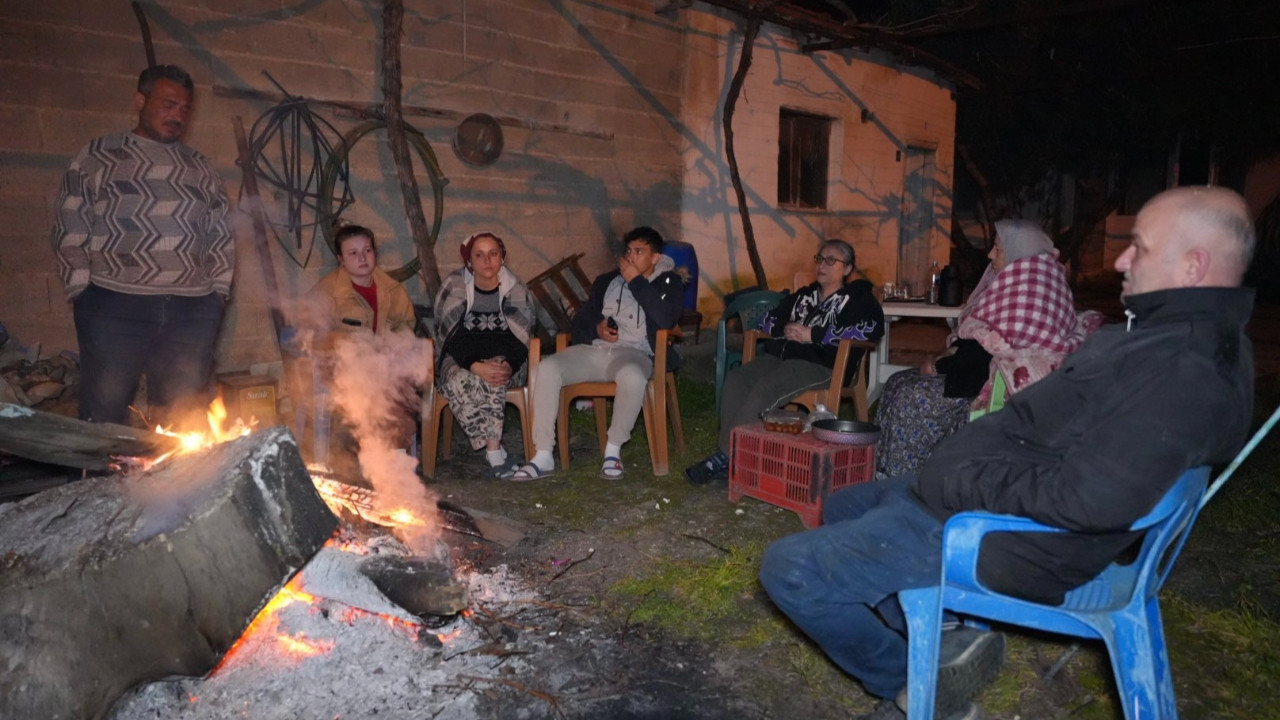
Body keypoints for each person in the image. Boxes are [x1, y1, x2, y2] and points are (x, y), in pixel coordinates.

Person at [758, 186, 1255, 720]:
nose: (1120, 260)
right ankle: (941, 634)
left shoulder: (1184, 371)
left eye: (1140, 247)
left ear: (1192, 265)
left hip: (1007, 536)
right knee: (847, 504)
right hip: (990, 501)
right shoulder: (1173, 339)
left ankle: (914, 683)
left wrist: (963, 482)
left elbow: (1090, 500)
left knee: (789, 568)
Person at [51, 64, 233, 428]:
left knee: (182, 418)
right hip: (115, 304)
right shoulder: (99, 156)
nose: (177, 116)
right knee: (105, 413)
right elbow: (70, 222)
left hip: (192, 310)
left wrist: (218, 291)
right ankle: (100, 484)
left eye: (184, 108)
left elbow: (221, 233)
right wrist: (81, 290)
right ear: (140, 100)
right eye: (168, 104)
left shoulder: (201, 167)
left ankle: (175, 486)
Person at [875, 220, 1101, 479]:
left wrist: (940, 365)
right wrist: (948, 355)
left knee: (910, 395)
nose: (990, 254)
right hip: (977, 368)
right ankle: (884, 470)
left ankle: (903, 478)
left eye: (997, 248)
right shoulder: (1029, 277)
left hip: (994, 383)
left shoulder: (1029, 288)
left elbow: (992, 349)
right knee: (897, 380)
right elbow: (982, 339)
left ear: (1019, 251)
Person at [684, 239, 885, 485]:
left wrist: (814, 334)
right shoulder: (805, 295)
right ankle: (734, 457)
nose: (823, 264)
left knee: (766, 388)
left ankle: (725, 458)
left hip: (823, 363)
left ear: (847, 269)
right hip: (783, 356)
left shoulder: (859, 299)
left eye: (831, 260)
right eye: (820, 259)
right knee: (737, 379)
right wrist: (786, 328)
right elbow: (768, 320)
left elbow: (871, 330)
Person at [513, 226, 684, 481]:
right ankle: (544, 454)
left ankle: (613, 451)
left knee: (633, 376)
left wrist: (635, 281)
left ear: (655, 258)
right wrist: (598, 328)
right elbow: (579, 322)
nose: (631, 256)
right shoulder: (607, 281)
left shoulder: (669, 281)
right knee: (547, 368)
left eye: (640, 251)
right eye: (629, 251)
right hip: (597, 351)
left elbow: (665, 318)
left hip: (635, 353)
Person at [433, 232, 536, 479]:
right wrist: (474, 365)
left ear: (503, 257)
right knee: (461, 380)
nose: (487, 261)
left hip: (507, 359)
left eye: (493, 254)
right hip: (459, 358)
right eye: (479, 255)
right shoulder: (454, 285)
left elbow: (521, 339)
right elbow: (450, 336)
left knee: (496, 376)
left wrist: (506, 363)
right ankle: (495, 449)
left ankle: (491, 450)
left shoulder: (517, 289)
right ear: (469, 261)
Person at [308, 224, 416, 338]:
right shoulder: (325, 293)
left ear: (375, 253)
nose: (362, 258)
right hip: (342, 355)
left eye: (367, 250)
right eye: (353, 253)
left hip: (388, 355)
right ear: (341, 259)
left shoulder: (394, 291)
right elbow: (311, 339)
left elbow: (406, 333)